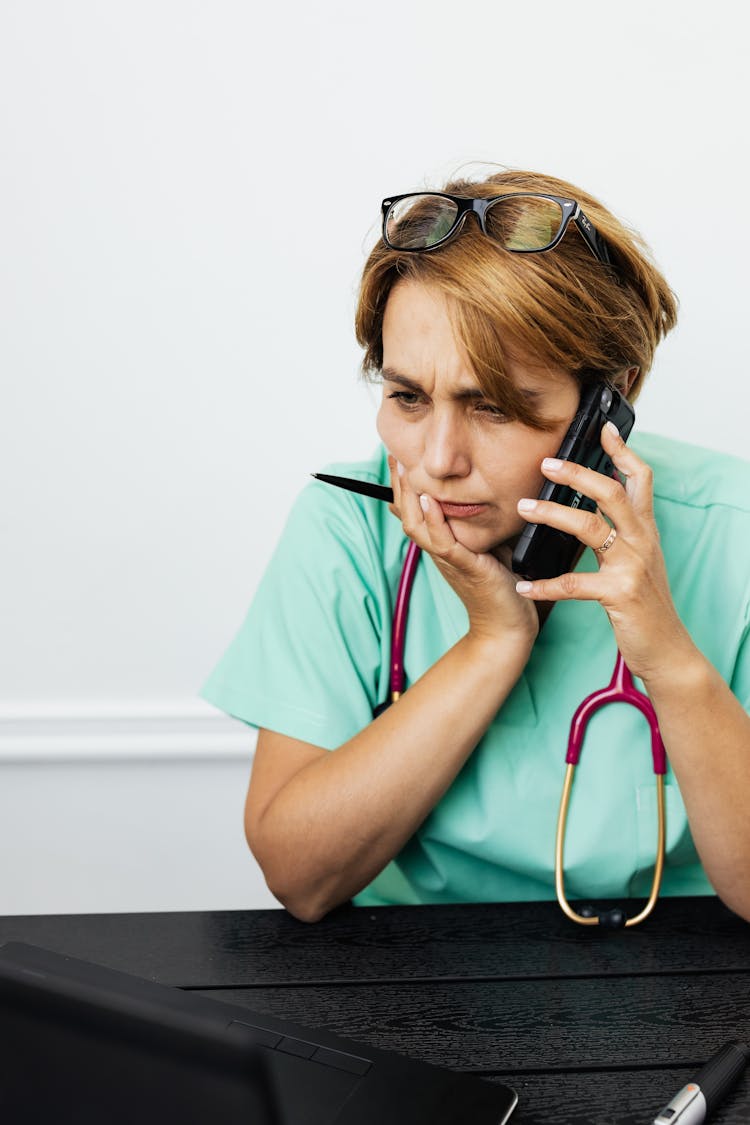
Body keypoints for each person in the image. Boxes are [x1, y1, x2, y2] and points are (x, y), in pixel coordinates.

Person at [203, 168, 750, 925]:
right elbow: (300, 875)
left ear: (611, 399)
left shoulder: (733, 526)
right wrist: (492, 642)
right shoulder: (345, 527)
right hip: (404, 984)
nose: (438, 459)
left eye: (492, 406)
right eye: (408, 397)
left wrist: (669, 659)